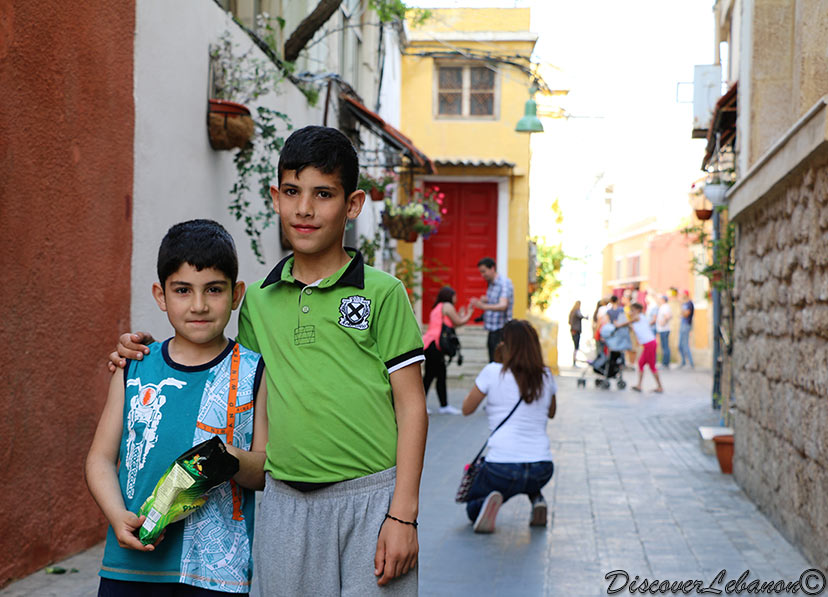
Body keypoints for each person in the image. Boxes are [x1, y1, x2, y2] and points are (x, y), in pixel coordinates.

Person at [109, 126, 427, 595]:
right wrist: (146, 352)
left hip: (371, 499)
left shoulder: (383, 294)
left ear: (353, 204)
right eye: (293, 192)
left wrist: (403, 513)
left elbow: (413, 407)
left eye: (324, 194)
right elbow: (220, 362)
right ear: (275, 197)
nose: (305, 208)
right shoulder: (256, 301)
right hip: (282, 504)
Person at [87, 219, 268, 595]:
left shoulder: (254, 371)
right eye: (183, 290)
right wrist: (117, 516)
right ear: (160, 295)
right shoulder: (134, 366)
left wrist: (225, 457)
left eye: (214, 290)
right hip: (130, 566)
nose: (199, 305)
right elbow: (100, 458)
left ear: (236, 295)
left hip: (216, 573)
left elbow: (264, 471)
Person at [461, 319, 557, 533]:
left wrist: (497, 362)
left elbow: (467, 409)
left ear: (505, 345)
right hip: (542, 467)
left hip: (502, 468)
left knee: (472, 508)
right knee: (526, 477)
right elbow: (551, 412)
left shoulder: (493, 371)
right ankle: (536, 498)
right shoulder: (545, 375)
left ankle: (491, 500)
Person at [422, 286, 473, 414]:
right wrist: (470, 313)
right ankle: (424, 406)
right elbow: (459, 322)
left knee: (439, 375)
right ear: (449, 296)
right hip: (436, 345)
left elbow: (452, 323)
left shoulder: (438, 306)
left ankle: (444, 405)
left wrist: (460, 315)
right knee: (430, 376)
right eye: (454, 296)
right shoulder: (447, 306)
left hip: (430, 344)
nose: (456, 298)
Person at [471, 257, 514, 362]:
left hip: (501, 330)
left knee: (498, 361)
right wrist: (485, 300)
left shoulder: (504, 283)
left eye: (484, 271)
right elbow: (496, 300)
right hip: (492, 329)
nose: (482, 275)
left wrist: (484, 306)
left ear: (492, 268)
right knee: (492, 360)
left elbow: (503, 305)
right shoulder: (491, 283)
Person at [614, 302, 664, 393]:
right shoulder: (640, 319)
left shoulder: (639, 316)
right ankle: (639, 385)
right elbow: (633, 325)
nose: (631, 312)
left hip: (650, 344)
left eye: (632, 310)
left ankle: (659, 387)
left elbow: (631, 321)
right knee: (641, 363)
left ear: (637, 310)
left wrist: (619, 325)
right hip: (648, 344)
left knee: (652, 366)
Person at [678, 290, 695, 368]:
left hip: (686, 325)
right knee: (680, 345)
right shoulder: (684, 304)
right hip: (682, 324)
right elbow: (682, 313)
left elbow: (686, 314)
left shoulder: (689, 304)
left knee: (685, 344)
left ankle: (690, 363)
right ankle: (683, 362)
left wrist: (682, 313)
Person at [655, 294, 673, 368]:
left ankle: (665, 363)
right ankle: (665, 362)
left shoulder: (665, 307)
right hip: (663, 329)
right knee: (664, 346)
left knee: (665, 346)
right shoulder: (665, 306)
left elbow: (668, 316)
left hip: (664, 329)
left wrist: (663, 322)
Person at [568, 300, 587, 366]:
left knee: (576, 346)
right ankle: (574, 360)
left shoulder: (572, 312)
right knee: (576, 346)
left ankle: (574, 360)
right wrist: (586, 317)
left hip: (573, 330)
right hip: (575, 330)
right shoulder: (576, 311)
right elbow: (581, 316)